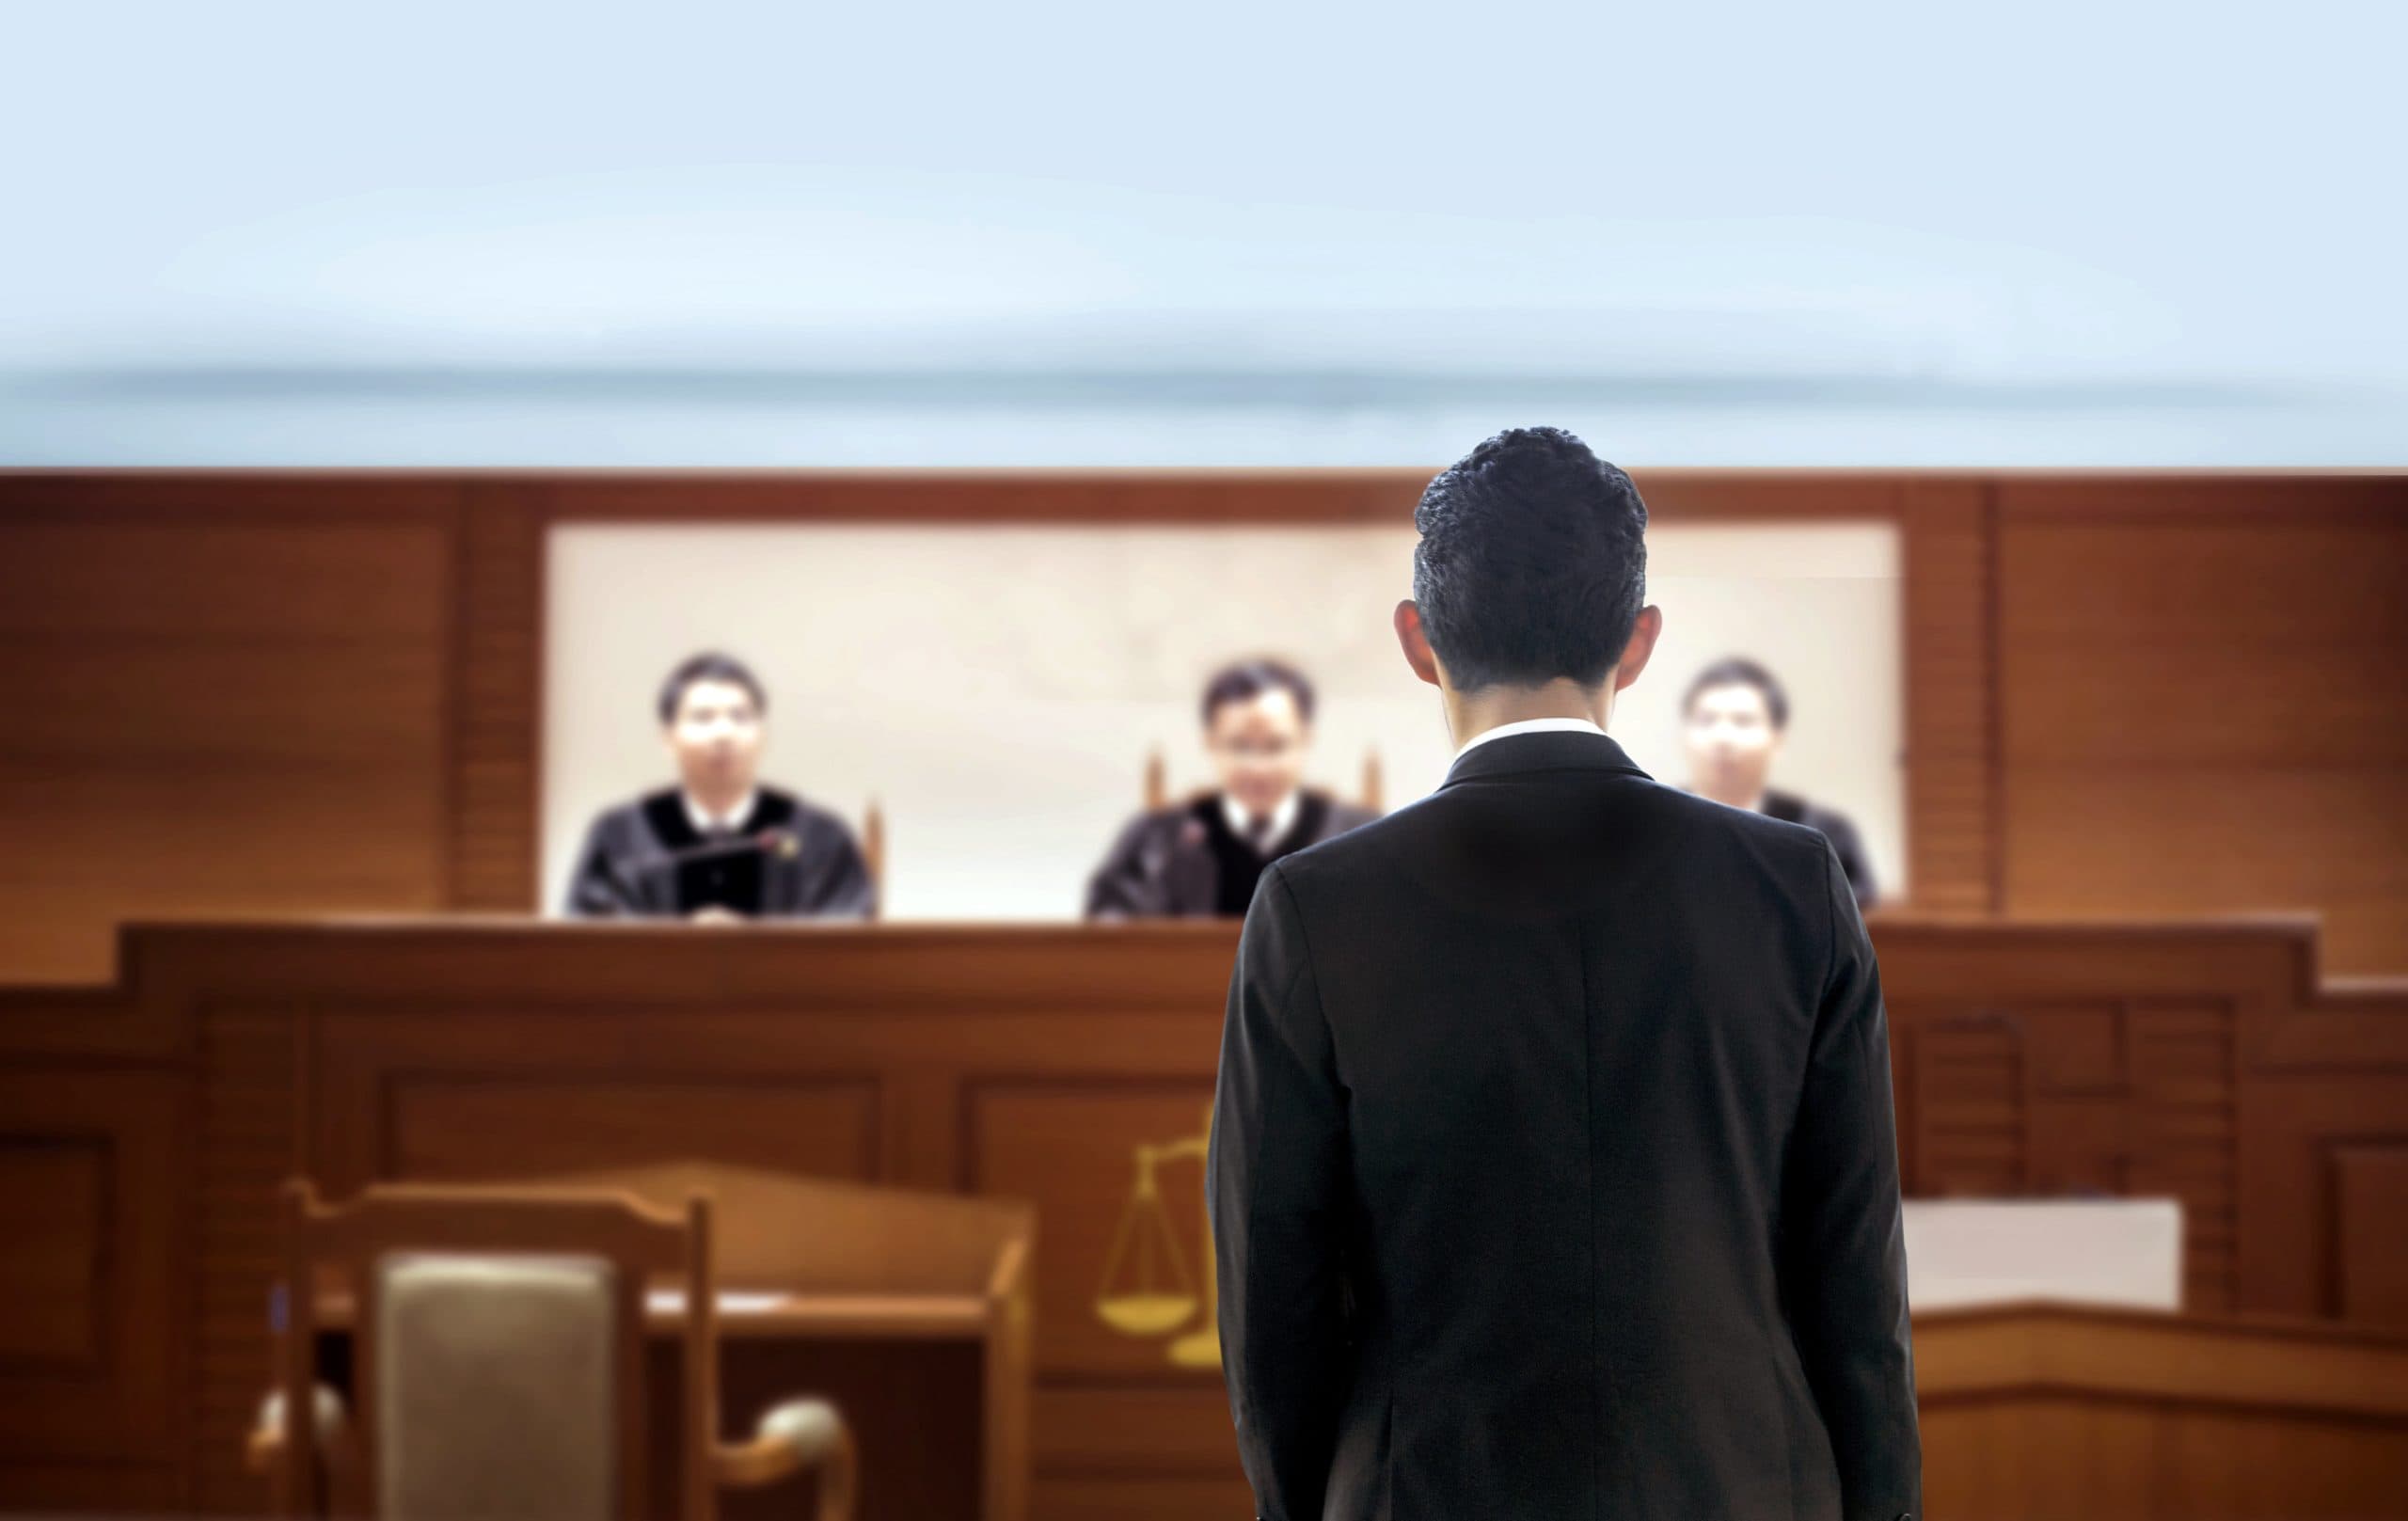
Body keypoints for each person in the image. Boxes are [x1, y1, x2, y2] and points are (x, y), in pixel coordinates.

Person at [1208, 427, 1919, 1521]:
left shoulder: (1315, 908)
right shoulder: (1792, 887)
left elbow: (1273, 1307)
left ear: (1417, 640)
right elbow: (1856, 1294)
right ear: (1637, 645)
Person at [563, 652, 875, 920]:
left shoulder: (817, 836)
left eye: (740, 717)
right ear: (667, 739)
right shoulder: (621, 836)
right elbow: (592, 943)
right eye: (702, 718)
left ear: (762, 736)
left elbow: (845, 943)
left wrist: (750, 947)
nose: (723, 733)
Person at [1084, 658, 1378, 919]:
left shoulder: (1362, 835)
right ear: (1211, 743)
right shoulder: (1154, 839)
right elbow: (1109, 933)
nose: (1258, 767)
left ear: (1305, 740)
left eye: (1276, 746)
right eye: (1240, 746)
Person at [1682, 656, 1881, 906]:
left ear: (1777, 740)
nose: (1722, 737)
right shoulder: (1654, 825)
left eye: (1743, 721)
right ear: (1685, 734)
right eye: (1706, 720)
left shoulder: (1825, 833)